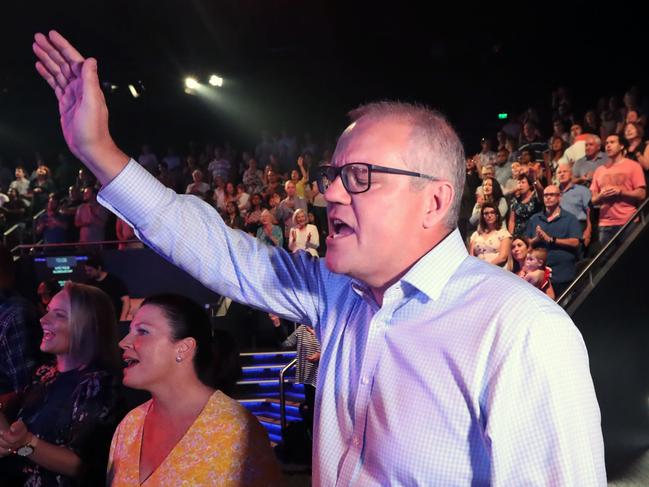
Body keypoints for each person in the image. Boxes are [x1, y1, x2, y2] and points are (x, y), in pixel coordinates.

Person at [33, 31, 606, 485]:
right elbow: (214, 247)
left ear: (433, 201)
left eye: (360, 177)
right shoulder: (335, 296)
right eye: (333, 175)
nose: (330, 192)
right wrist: (99, 153)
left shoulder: (521, 333)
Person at [108, 294, 280, 486]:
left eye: (143, 331)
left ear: (183, 348)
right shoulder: (130, 425)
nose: (123, 342)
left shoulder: (235, 430)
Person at [0, 282, 122, 487]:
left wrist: (25, 443)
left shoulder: (99, 385)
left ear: (88, 325)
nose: (42, 320)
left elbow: (81, 466)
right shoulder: (44, 374)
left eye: (59, 315)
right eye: (47, 311)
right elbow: (15, 442)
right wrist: (15, 444)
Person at [83, 255, 130, 321]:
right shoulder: (89, 284)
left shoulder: (114, 281)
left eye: (90, 270)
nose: (87, 273)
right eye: (86, 270)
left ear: (99, 268)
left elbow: (126, 300)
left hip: (113, 318)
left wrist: (123, 318)